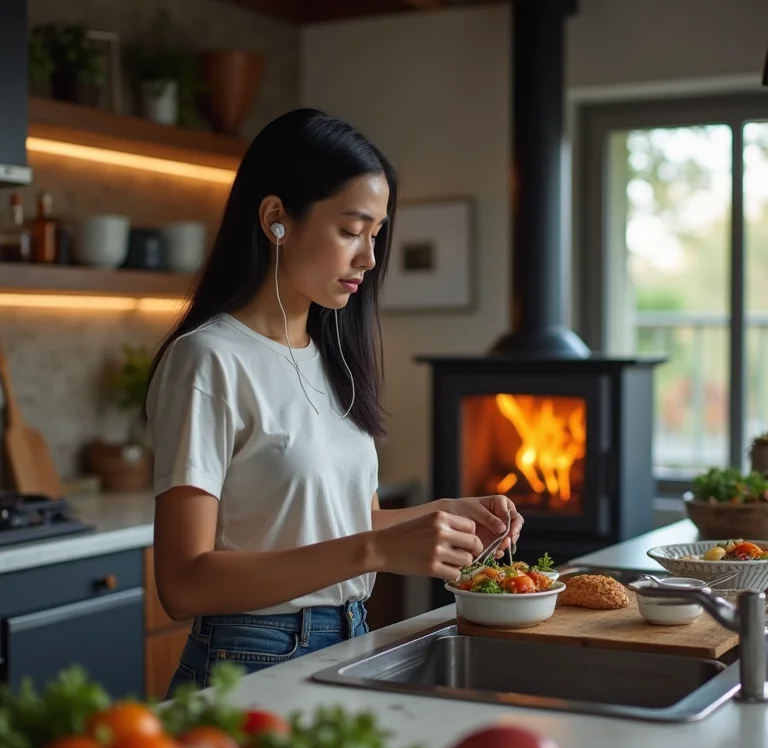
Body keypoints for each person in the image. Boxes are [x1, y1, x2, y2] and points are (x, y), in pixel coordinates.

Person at [143, 108, 524, 696]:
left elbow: (338, 525)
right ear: (275, 219)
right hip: (249, 658)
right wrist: (375, 548)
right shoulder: (209, 359)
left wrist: (442, 517)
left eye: (376, 235)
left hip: (352, 639)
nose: (369, 259)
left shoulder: (334, 358)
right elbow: (184, 582)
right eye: (351, 230)